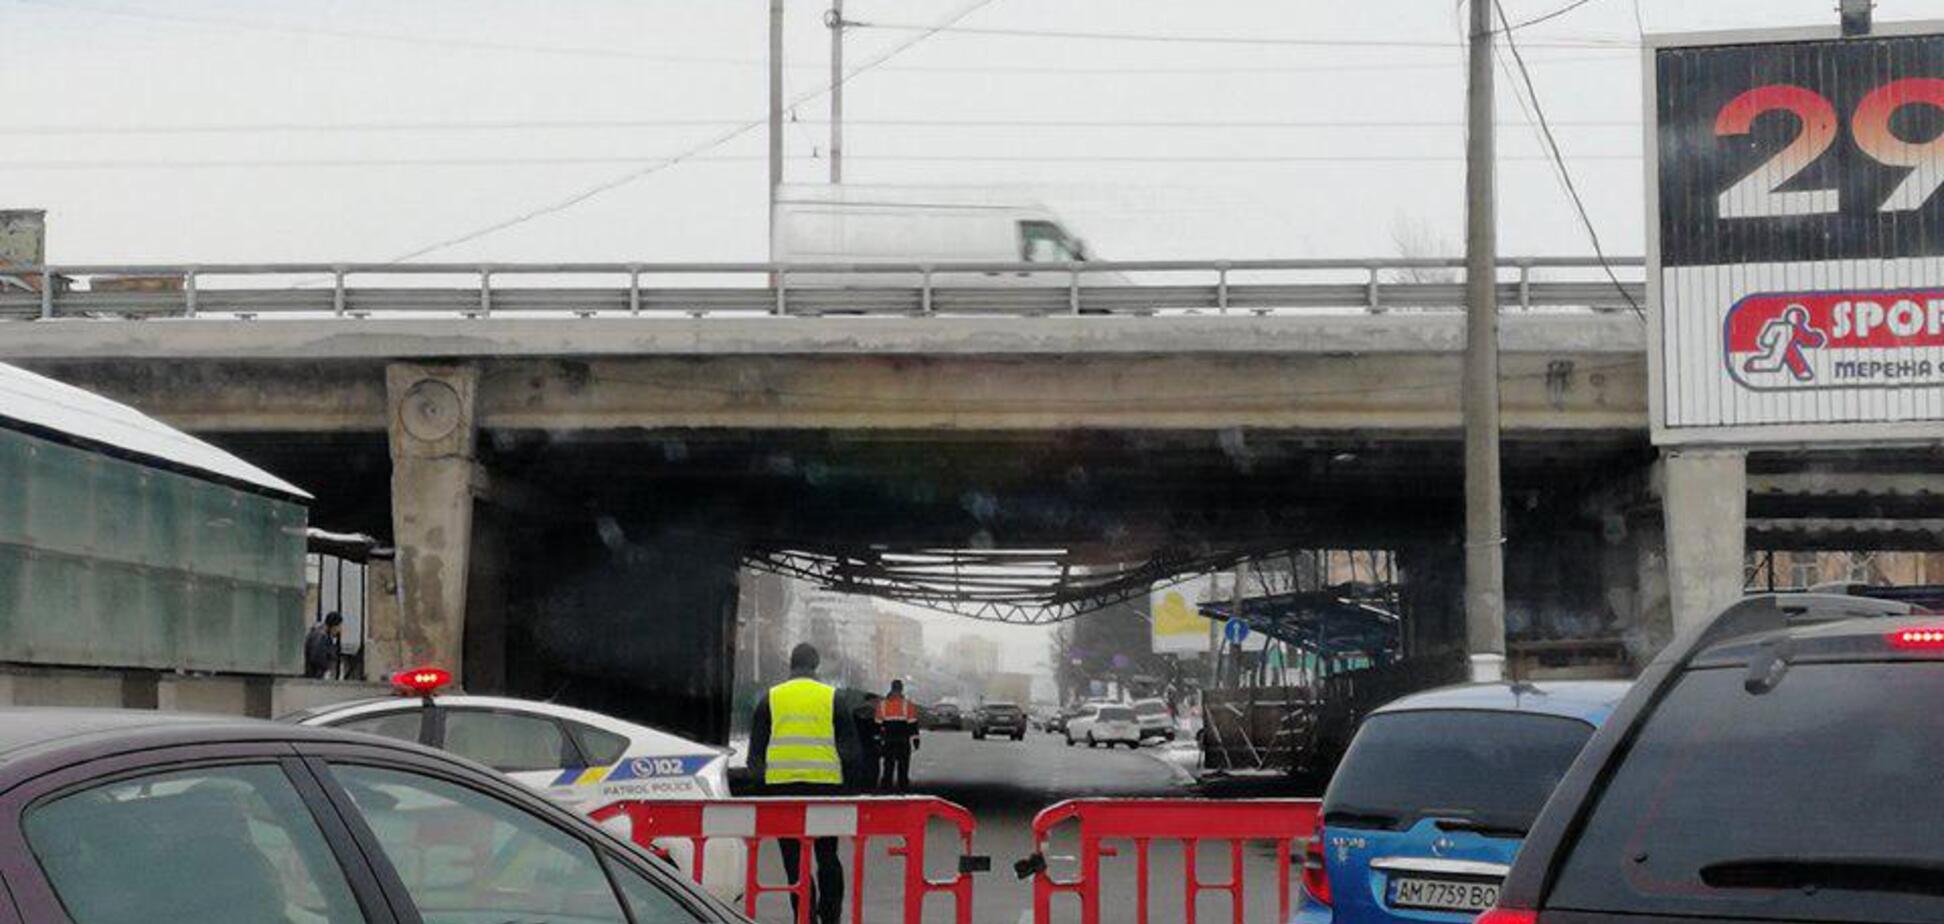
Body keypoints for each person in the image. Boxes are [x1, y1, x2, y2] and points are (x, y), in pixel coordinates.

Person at [749, 644, 857, 924]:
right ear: (816, 665)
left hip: (782, 790)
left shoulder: (770, 699)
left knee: (793, 859)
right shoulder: (832, 697)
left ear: (791, 665)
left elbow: (755, 756)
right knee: (827, 855)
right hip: (824, 788)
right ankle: (831, 915)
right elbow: (851, 751)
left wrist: (762, 792)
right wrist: (848, 790)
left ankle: (803, 915)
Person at [876, 679, 920, 791]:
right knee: (903, 766)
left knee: (888, 766)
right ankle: (903, 788)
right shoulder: (908, 705)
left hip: (888, 741)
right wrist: (915, 740)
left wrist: (878, 741)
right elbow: (913, 724)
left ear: (891, 688)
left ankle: (886, 788)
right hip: (903, 741)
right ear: (901, 689)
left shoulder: (882, 705)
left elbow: (877, 725)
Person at [303, 612, 343, 679]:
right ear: (333, 626)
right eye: (338, 626)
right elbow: (317, 657)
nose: (339, 630)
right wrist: (327, 666)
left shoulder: (318, 633)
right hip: (316, 675)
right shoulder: (322, 637)